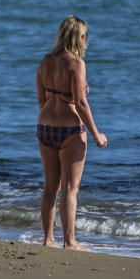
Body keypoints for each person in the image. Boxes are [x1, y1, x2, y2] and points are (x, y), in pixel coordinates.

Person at [36, 15, 108, 250]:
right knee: (70, 188)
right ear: (80, 37)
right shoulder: (76, 64)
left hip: (45, 127)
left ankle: (47, 240)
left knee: (50, 187)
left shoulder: (45, 61)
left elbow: (41, 98)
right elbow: (80, 102)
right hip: (70, 130)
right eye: (85, 36)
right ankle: (70, 241)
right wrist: (96, 134)